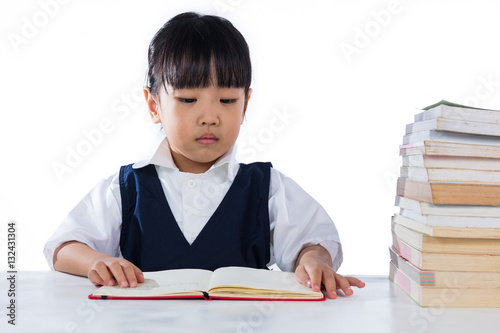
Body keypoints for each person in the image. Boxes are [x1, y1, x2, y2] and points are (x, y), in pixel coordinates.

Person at [44, 12, 365, 299]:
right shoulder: (127, 186)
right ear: (154, 105)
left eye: (226, 100)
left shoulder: (266, 185)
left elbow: (315, 240)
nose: (209, 116)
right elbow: (62, 248)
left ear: (246, 105)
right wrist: (99, 261)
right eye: (188, 99)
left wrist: (313, 260)